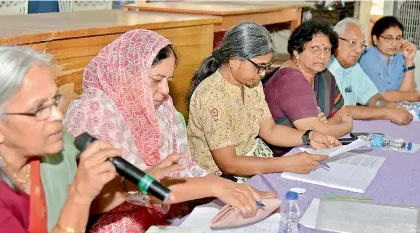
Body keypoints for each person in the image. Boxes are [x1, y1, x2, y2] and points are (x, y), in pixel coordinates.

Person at [63, 29, 274, 233]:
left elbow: (185, 166)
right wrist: (214, 186)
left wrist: (223, 185)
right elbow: (124, 191)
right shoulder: (95, 113)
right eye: (156, 80)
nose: (165, 91)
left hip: (164, 209)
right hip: (116, 219)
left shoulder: (162, 107)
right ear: (127, 75)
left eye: (168, 81)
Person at [0, 46, 125, 233]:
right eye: (39, 108)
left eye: (55, 100)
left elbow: (100, 197)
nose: (57, 115)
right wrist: (79, 195)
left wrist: (144, 182)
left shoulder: (49, 152)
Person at [186, 21, 340, 183]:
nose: (263, 73)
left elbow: (270, 130)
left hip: (249, 161)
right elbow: (228, 164)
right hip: (217, 180)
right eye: (259, 66)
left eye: (266, 66)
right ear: (234, 60)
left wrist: (309, 136)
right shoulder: (212, 95)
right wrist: (286, 163)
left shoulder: (252, 82)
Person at [262, 19, 353, 156]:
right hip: (281, 156)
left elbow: (342, 114)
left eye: (326, 49)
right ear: (297, 52)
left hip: (311, 150)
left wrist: (326, 123)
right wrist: (348, 125)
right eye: (314, 48)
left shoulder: (325, 76)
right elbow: (318, 132)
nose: (322, 56)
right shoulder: (290, 79)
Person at [328, 18, 413, 125]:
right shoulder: (324, 68)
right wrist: (386, 112)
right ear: (334, 40)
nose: (358, 50)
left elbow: (371, 96)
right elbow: (340, 110)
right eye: (352, 42)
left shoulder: (354, 67)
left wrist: (384, 104)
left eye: (362, 45)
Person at [359, 16, 419, 101]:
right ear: (375, 39)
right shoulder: (367, 57)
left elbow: (409, 94)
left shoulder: (401, 57)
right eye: (389, 38)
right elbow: (379, 96)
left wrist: (409, 61)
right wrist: (412, 96)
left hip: (395, 110)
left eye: (398, 38)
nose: (394, 43)